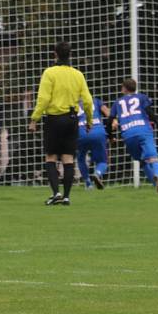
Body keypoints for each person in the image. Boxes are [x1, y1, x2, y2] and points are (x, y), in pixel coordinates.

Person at [28, 42, 94, 206]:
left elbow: (43, 99)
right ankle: (66, 196)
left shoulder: (50, 73)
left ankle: (56, 192)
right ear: (69, 55)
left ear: (55, 54)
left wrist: (34, 119)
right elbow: (87, 100)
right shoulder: (78, 75)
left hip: (54, 119)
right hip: (72, 119)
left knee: (51, 157)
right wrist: (90, 120)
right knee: (68, 158)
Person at [109, 78, 158, 194]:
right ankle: (157, 175)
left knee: (142, 161)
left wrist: (110, 136)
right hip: (143, 130)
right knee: (153, 158)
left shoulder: (118, 102)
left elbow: (109, 119)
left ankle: (155, 184)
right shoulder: (141, 97)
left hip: (128, 134)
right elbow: (150, 112)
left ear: (124, 89)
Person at [76, 97, 109, 190]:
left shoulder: (73, 103)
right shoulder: (95, 101)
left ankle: (88, 183)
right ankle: (97, 173)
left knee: (81, 158)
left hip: (81, 132)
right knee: (103, 161)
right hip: (97, 131)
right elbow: (108, 113)